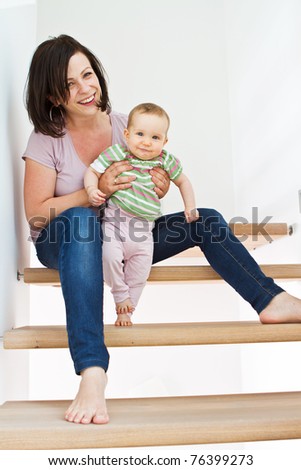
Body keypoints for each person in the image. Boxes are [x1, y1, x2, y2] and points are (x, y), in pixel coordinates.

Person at [23, 34, 301, 426]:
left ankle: (270, 299)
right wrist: (94, 193)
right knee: (83, 221)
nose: (85, 88)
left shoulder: (127, 127)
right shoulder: (46, 139)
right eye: (69, 84)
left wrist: (160, 187)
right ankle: (92, 371)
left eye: (87, 75)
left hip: (123, 235)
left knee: (204, 217)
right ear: (52, 96)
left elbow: (146, 194)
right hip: (64, 239)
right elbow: (36, 211)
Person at [84, 102, 199, 326]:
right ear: (127, 135)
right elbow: (92, 170)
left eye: (155, 137)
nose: (147, 142)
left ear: (164, 142)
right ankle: (119, 293)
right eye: (140, 134)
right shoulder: (118, 153)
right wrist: (91, 190)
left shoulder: (165, 160)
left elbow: (183, 181)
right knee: (108, 256)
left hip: (144, 230)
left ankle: (126, 311)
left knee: (139, 274)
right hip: (116, 223)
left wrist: (191, 206)